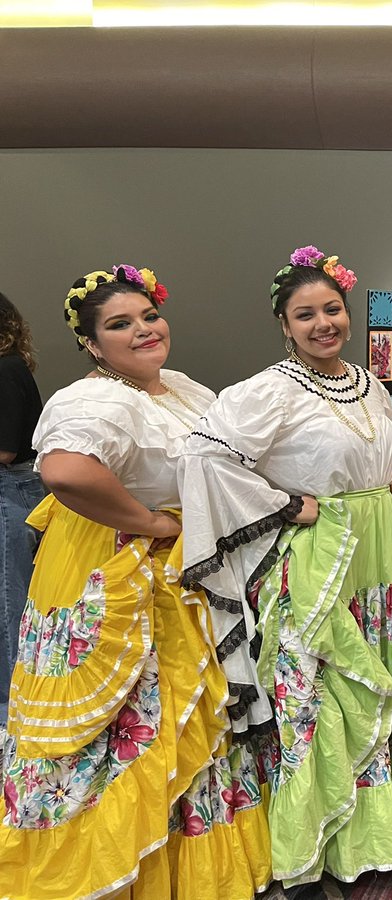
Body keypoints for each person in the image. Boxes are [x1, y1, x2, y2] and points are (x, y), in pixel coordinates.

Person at [179, 245, 392, 893]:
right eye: (305, 315)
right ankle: (322, 842)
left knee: (386, 676)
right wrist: (282, 505)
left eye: (332, 309)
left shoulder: (371, 383)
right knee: (326, 688)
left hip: (381, 555)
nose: (322, 324)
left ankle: (386, 826)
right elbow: (204, 459)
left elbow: (382, 448)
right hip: (319, 560)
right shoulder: (269, 392)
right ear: (284, 324)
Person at [0, 266, 271, 899]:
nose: (143, 330)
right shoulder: (96, 398)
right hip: (121, 571)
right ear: (92, 345)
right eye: (120, 324)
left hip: (175, 568)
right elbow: (66, 471)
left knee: (186, 716)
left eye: (148, 316)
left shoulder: (176, 388)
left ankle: (182, 868)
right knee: (137, 716)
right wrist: (149, 521)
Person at [0, 292, 43, 728]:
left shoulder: (6, 369)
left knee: (9, 605)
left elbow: (6, 450)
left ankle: (15, 718)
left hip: (9, 492)